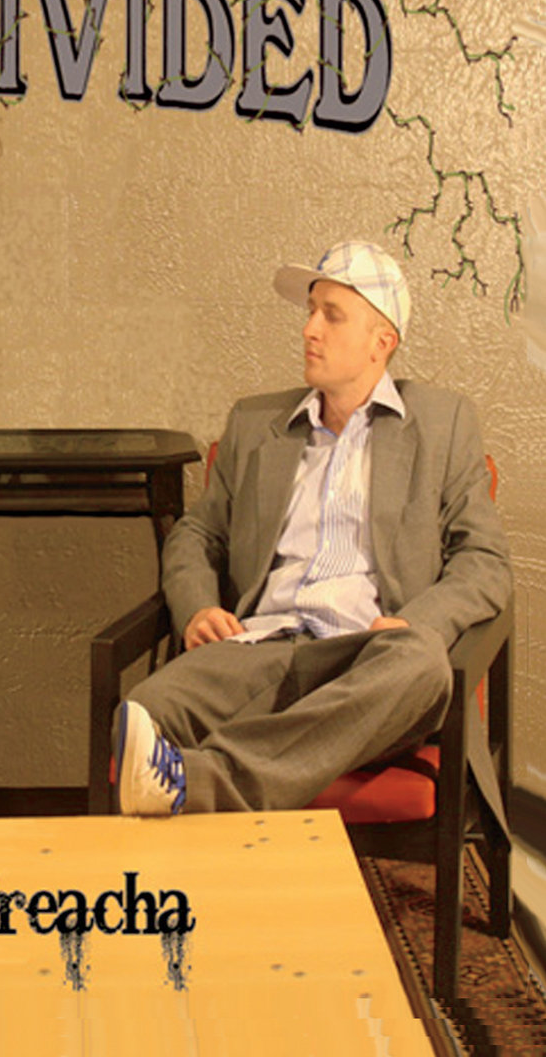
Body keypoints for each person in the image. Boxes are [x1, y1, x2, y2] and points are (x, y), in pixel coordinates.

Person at [116, 240, 512, 816]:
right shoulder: (256, 423)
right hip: (258, 650)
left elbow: (484, 559)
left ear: (382, 341)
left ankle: (199, 781)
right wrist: (198, 607)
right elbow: (197, 534)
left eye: (332, 314)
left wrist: (417, 623)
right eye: (310, 311)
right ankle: (224, 776)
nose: (309, 330)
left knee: (424, 662)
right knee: (146, 708)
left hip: (369, 659)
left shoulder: (443, 423)